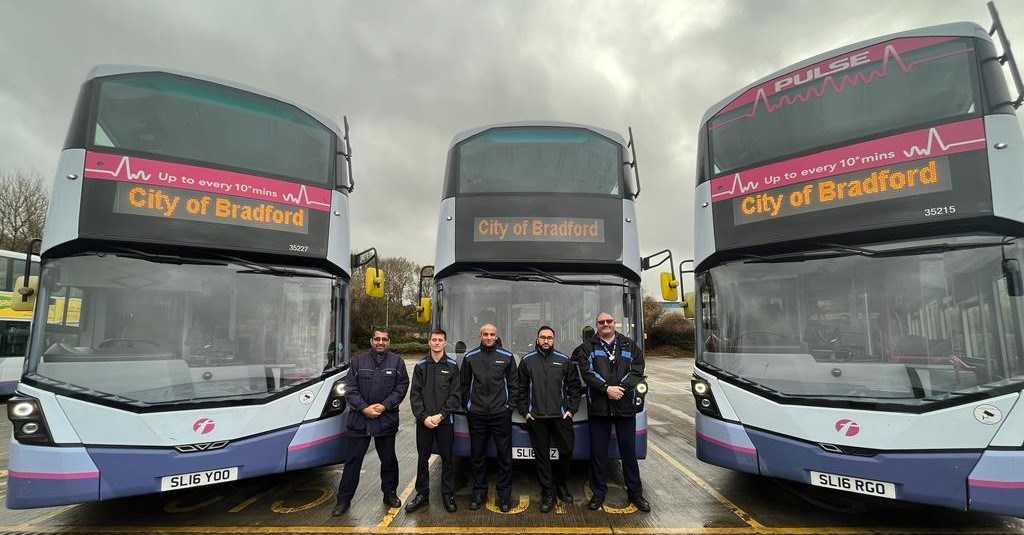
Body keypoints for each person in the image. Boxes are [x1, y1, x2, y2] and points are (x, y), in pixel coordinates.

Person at [574, 312, 650, 512]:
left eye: (609, 321)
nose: (605, 324)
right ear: (596, 325)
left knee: (629, 454)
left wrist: (620, 389)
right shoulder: (587, 347)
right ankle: (598, 494)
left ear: (614, 323)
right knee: (598, 454)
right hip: (599, 409)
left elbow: (637, 370)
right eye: (601, 322)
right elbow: (587, 373)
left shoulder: (629, 345)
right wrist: (607, 389)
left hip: (625, 407)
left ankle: (636, 494)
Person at [333, 328, 410, 516]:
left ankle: (390, 493)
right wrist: (364, 409)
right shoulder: (358, 361)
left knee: (389, 460)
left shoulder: (397, 363)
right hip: (360, 420)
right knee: (353, 461)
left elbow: (401, 387)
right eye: (377, 339)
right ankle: (343, 500)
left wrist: (384, 406)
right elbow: (350, 388)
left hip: (386, 420)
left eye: (384, 339)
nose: (380, 342)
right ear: (371, 341)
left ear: (389, 342)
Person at [516, 325, 582, 513]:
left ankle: (561, 484)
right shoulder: (527, 361)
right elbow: (520, 388)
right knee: (542, 457)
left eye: (549, 338)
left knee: (567, 451)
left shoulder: (563, 360)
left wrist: (571, 410)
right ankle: (548, 492)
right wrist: (525, 412)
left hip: (560, 417)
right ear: (537, 339)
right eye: (543, 337)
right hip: (536, 418)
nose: (546, 340)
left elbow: (574, 387)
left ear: (554, 340)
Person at [461, 323, 517, 512]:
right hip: (476, 415)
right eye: (485, 334)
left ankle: (504, 496)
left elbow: (514, 386)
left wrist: (509, 408)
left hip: (500, 414)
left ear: (496, 336)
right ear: (480, 336)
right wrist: (468, 407)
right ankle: (479, 493)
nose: (488, 337)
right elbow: (464, 385)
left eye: (492, 334)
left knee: (504, 457)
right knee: (477, 456)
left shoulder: (507, 357)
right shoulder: (470, 358)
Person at [405, 329, 461, 514]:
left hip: (444, 421)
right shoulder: (421, 366)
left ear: (445, 343)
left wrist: (441, 415)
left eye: (440, 340)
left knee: (447, 460)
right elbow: (415, 396)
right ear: (429, 342)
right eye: (434, 340)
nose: (437, 343)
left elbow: (455, 396)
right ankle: (422, 494)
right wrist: (424, 417)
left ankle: (447, 494)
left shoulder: (452, 366)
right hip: (424, 422)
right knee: (423, 459)